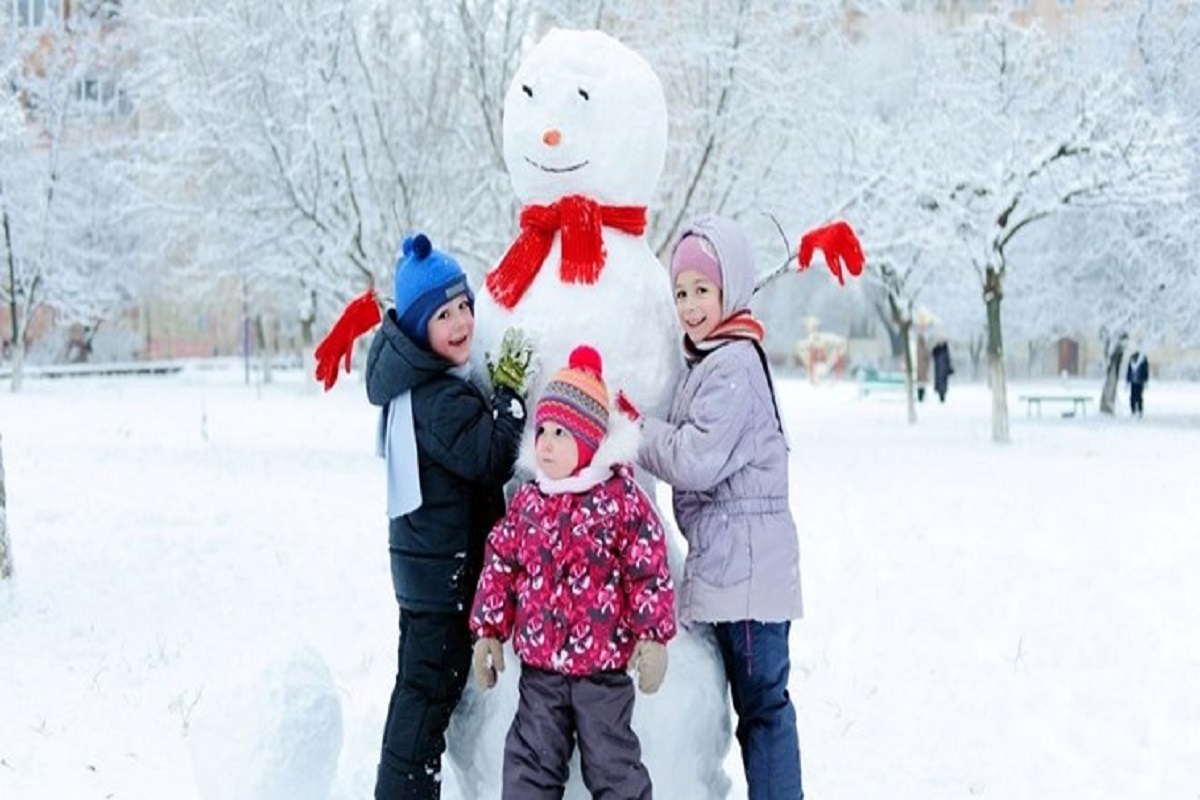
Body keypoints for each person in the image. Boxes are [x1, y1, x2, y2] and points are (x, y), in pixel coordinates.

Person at [618, 214, 805, 799]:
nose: (691, 305)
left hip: (746, 578)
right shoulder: (719, 355)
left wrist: (635, 429)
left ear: (732, 289)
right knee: (759, 706)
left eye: (703, 290)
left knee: (763, 708)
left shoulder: (733, 367)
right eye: (681, 293)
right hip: (736, 567)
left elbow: (696, 457)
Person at [363, 232, 532, 800]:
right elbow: (490, 458)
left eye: (465, 306)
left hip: (425, 570)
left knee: (420, 687)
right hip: (443, 576)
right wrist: (509, 399)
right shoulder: (441, 400)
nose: (461, 321)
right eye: (443, 314)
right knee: (427, 695)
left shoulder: (421, 386)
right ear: (417, 328)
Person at [469, 345, 677, 800]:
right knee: (529, 766)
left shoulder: (619, 500)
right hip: (540, 671)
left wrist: (653, 636)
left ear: (588, 443)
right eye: (541, 429)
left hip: (602, 672)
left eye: (560, 432)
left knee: (615, 766)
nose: (544, 441)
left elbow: (647, 570)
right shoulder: (528, 501)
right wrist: (488, 630)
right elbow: (500, 563)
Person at [1126, 349, 1149, 418]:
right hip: (1133, 382)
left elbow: (1146, 372)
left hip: (1140, 382)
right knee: (1132, 397)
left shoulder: (1143, 361)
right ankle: (1133, 410)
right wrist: (1127, 380)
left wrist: (1145, 381)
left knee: (1139, 397)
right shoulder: (1131, 362)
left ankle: (1140, 410)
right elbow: (1129, 371)